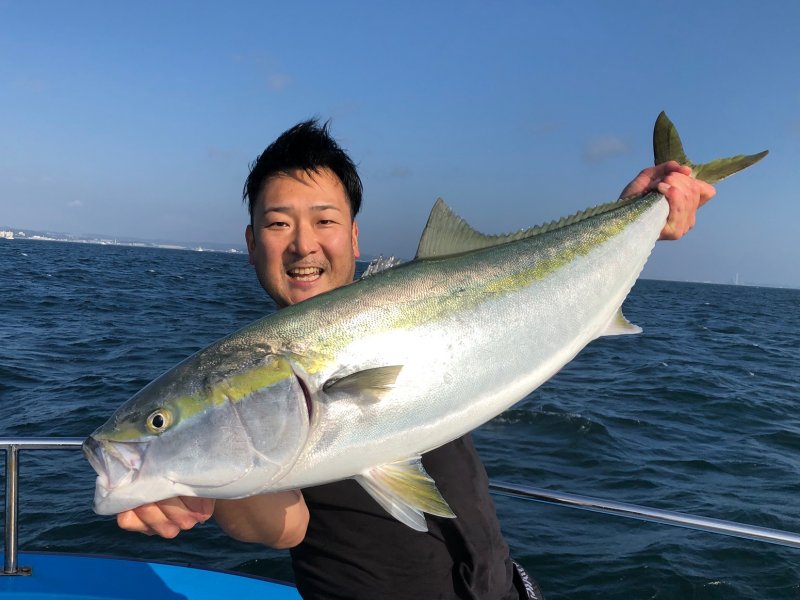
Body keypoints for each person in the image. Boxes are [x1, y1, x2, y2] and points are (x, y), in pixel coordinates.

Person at [115, 119, 716, 598]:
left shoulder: (414, 305)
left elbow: (537, 291)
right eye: (277, 223)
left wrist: (640, 213)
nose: (303, 244)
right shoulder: (248, 368)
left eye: (324, 220)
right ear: (251, 242)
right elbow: (284, 526)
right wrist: (203, 484)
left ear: (353, 237)